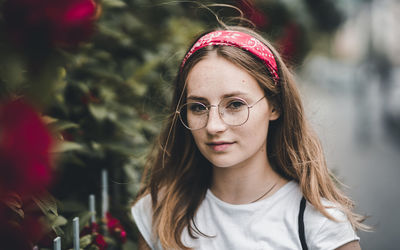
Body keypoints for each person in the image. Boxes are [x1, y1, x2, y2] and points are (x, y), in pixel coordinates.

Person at [131, 25, 367, 250]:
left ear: (275, 106)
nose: (213, 126)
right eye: (198, 107)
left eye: (235, 104)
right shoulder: (161, 212)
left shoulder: (320, 224)